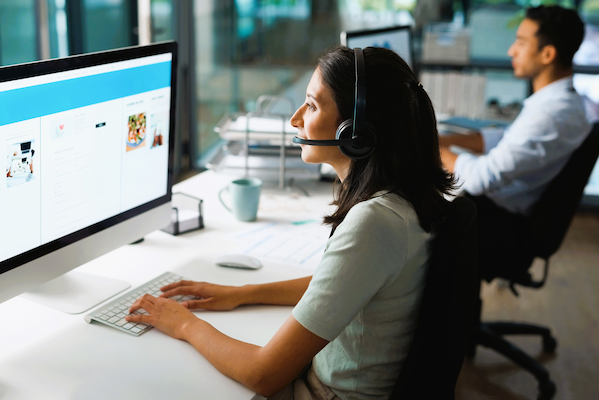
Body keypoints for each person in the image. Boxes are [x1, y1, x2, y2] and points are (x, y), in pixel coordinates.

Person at [126, 46, 455, 399]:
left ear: (355, 131)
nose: (295, 119)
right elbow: (339, 283)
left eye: (312, 106)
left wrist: (184, 324)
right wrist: (241, 294)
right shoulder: (402, 197)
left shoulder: (373, 223)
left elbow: (263, 374)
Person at [438, 5, 591, 281]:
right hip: (507, 213)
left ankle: (445, 321)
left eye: (521, 43)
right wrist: (446, 140)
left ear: (547, 54)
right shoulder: (561, 101)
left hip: (502, 225)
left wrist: (427, 146)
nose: (511, 51)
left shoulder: (553, 114)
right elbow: (507, 137)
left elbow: (482, 178)